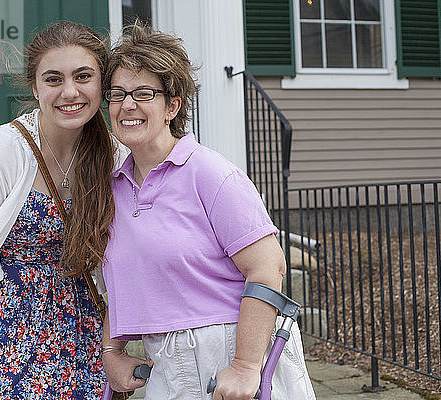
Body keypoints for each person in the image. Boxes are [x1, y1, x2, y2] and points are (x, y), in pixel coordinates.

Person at [100, 24, 316, 400]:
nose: (127, 105)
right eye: (117, 94)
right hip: (165, 362)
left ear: (172, 105)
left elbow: (268, 267)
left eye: (143, 93)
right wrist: (111, 352)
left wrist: (247, 367)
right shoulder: (114, 187)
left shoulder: (210, 174)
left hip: (230, 355)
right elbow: (122, 280)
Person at [0, 22, 115, 399]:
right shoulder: (0, 153)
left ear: (102, 84)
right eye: (54, 79)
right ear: (35, 88)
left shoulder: (110, 154)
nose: (70, 91)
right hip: (3, 342)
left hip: (79, 339)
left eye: (83, 76)